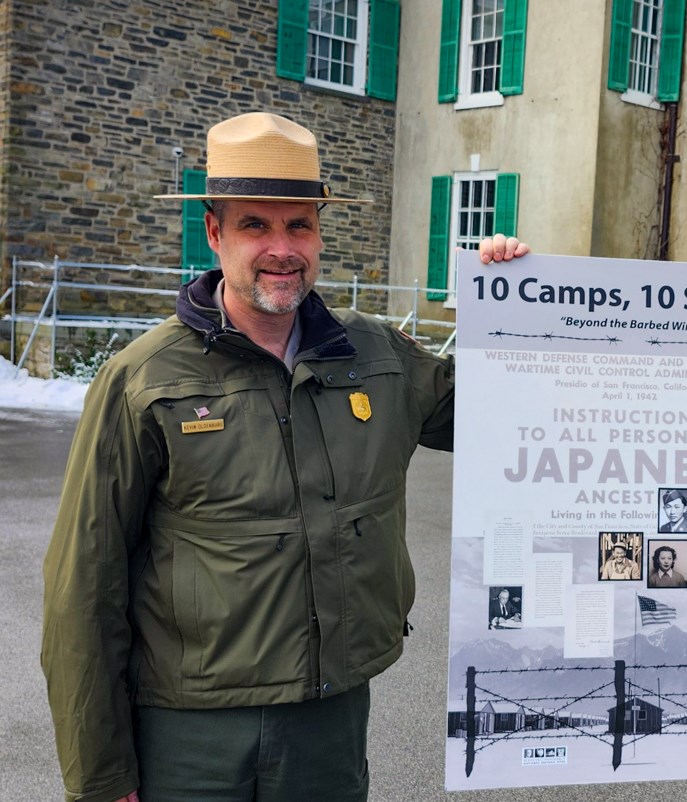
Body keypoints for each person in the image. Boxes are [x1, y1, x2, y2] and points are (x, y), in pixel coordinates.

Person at [40, 112, 530, 802]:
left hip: (328, 723)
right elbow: (84, 587)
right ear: (214, 232)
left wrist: (513, 306)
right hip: (189, 733)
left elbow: (523, 413)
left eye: (299, 225)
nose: (281, 248)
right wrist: (100, 774)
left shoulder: (379, 358)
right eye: (254, 226)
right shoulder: (142, 379)